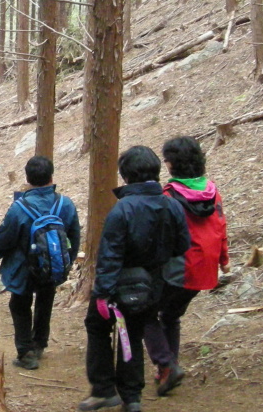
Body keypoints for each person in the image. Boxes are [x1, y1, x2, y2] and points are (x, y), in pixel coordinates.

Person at [79, 146, 190, 412]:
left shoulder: (122, 210)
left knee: (97, 326)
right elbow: (182, 245)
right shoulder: (172, 205)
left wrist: (103, 293)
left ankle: (105, 390)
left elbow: (110, 256)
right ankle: (131, 398)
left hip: (119, 284)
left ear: (125, 176)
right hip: (155, 284)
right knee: (133, 333)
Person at [143, 136, 230, 396]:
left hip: (179, 268)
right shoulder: (213, 191)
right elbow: (221, 227)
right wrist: (224, 261)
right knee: (171, 315)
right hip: (205, 268)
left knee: (146, 312)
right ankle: (169, 368)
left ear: (170, 165)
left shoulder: (167, 196)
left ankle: (166, 364)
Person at [0, 155, 81, 370]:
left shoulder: (19, 208)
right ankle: (40, 343)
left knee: (19, 304)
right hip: (52, 266)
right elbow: (74, 236)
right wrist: (66, 262)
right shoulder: (65, 204)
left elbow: (5, 238)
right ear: (51, 177)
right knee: (45, 299)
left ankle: (25, 352)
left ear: (28, 178)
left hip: (23, 268)